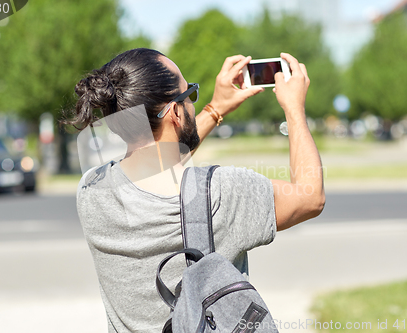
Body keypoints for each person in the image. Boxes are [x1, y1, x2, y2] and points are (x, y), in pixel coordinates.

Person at [65, 48, 325, 332]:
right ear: (175, 112)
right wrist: (294, 110)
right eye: (189, 93)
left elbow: (157, 162)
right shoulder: (220, 193)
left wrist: (216, 107)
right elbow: (310, 197)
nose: (191, 100)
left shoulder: (91, 190)